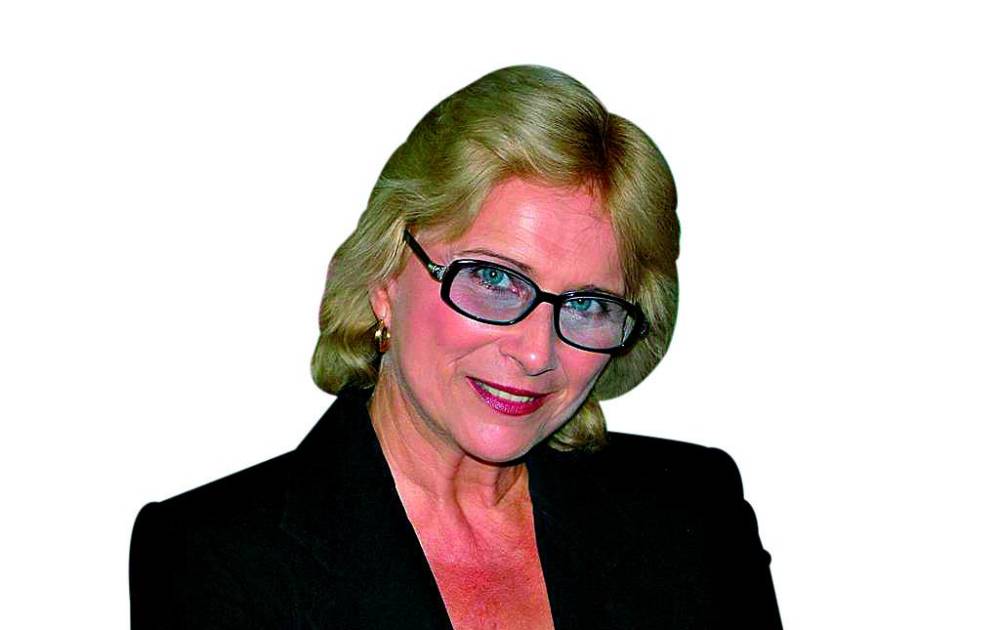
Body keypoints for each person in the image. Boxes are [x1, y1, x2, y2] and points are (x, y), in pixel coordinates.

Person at [129, 65, 782, 629]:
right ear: (386, 278)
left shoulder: (694, 511)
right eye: (494, 279)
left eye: (587, 305)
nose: (536, 354)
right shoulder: (216, 558)